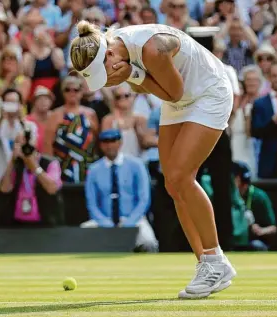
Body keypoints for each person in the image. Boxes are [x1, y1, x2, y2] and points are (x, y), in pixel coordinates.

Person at [69, 22, 236, 299]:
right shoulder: (120, 50)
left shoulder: (152, 48)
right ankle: (206, 266)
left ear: (109, 55)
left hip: (210, 94)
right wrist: (134, 77)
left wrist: (133, 75)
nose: (108, 80)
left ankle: (216, 260)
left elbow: (174, 92)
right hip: (180, 100)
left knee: (182, 177)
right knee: (172, 184)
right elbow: (162, 91)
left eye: (104, 73)